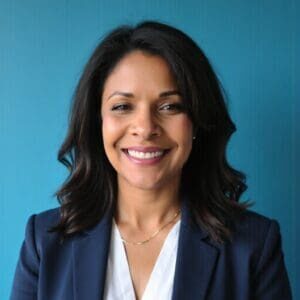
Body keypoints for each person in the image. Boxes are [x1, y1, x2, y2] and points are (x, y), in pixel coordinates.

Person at [10, 20, 292, 300]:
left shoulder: (254, 245)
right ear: (98, 123)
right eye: (122, 106)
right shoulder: (44, 242)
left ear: (197, 122)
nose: (144, 128)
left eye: (170, 106)